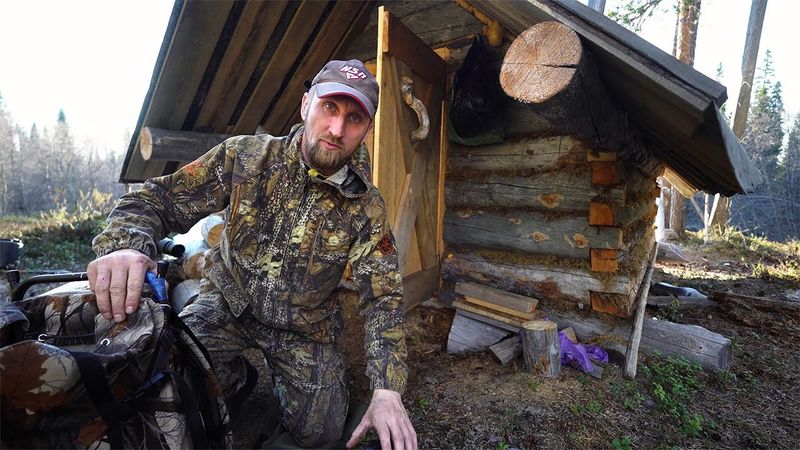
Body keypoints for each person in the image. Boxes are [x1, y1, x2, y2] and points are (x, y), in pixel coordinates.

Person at [88, 59, 417, 450]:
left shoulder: (367, 207)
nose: (336, 129)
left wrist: (387, 389)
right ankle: (237, 376)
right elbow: (155, 199)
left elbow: (384, 298)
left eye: (355, 118)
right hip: (227, 302)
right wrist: (126, 244)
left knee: (322, 432)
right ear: (305, 104)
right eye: (329, 107)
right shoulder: (245, 158)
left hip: (304, 328)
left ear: (367, 129)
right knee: (169, 387)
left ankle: (264, 385)